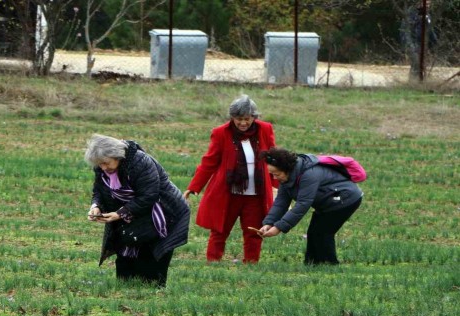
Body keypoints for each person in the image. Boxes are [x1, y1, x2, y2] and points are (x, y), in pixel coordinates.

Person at [85, 134, 190, 287]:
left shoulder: (140, 162)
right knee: (125, 265)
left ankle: (152, 297)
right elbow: (99, 190)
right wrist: (96, 206)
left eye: (105, 163)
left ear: (117, 155)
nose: (103, 168)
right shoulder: (102, 167)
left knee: (151, 261)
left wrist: (120, 213)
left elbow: (149, 195)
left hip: (162, 213)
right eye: (100, 165)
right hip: (131, 215)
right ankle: (126, 294)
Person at [183, 95, 277, 263]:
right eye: (239, 119)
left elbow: (273, 159)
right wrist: (194, 187)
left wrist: (277, 185)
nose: (243, 123)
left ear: (254, 117)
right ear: (232, 118)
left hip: (256, 193)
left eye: (247, 119)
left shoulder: (265, 129)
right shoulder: (221, 133)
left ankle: (251, 263)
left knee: (254, 231)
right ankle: (213, 261)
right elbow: (209, 161)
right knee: (219, 231)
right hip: (228, 192)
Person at [257, 147, 363, 265]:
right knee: (313, 233)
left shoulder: (309, 175)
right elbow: (281, 202)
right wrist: (269, 222)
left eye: (277, 174)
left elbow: (302, 205)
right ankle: (312, 264)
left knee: (323, 232)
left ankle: (328, 264)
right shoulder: (286, 179)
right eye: (272, 174)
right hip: (327, 202)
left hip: (345, 199)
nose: (274, 178)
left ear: (287, 169)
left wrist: (279, 228)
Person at [402, 0, 438, 80]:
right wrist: (408, 44)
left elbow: (430, 30)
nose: (428, 6)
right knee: (416, 63)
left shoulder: (427, 15)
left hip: (423, 44)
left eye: (429, 4)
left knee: (422, 64)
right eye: (426, 4)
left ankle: (420, 82)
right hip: (414, 43)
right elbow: (406, 30)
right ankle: (413, 82)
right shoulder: (411, 14)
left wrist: (435, 42)